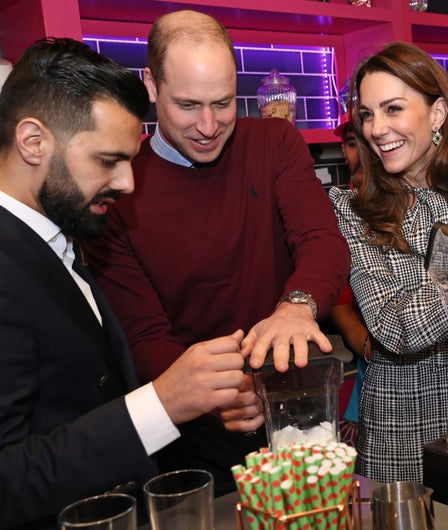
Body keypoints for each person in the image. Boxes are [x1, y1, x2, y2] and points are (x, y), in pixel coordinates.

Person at [81, 10, 350, 495]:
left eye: (223, 104)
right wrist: (218, 394)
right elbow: (143, 337)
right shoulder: (119, 186)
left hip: (295, 413)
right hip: (195, 439)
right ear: (151, 86)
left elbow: (321, 240)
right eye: (188, 105)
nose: (208, 125)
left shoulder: (274, 142)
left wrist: (297, 305)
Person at [0, 37, 260, 530]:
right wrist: (162, 403)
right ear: (33, 142)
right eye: (107, 161)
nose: (127, 183)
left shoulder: (58, 236)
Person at [328, 42, 448, 483]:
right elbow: (392, 327)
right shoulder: (350, 207)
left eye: (393, 109)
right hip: (403, 437)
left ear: (437, 114)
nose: (377, 129)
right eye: (367, 114)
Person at [330, 112, 368, 447]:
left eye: (366, 142)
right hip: (367, 360)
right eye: (353, 143)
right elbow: (340, 303)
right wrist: (370, 347)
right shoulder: (338, 210)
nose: (360, 153)